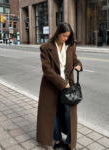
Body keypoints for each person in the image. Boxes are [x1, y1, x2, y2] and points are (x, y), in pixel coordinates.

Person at [36, 22, 83, 150]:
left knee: (70, 115)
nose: (66, 39)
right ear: (58, 33)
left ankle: (69, 142)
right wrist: (63, 83)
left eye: (68, 36)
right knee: (53, 113)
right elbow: (47, 69)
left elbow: (74, 60)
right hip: (51, 86)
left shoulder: (70, 46)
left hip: (68, 87)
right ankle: (57, 140)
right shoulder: (45, 47)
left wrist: (79, 64)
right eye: (64, 36)